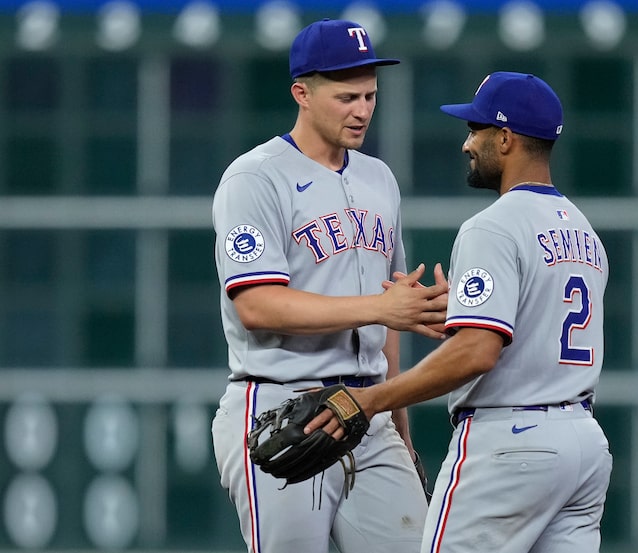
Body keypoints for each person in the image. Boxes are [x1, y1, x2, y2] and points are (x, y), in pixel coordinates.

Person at [309, 71, 613, 553]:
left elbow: (477, 354)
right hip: (583, 445)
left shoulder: (492, 227)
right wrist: (465, 316)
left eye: (477, 131)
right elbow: (531, 331)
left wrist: (371, 400)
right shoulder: (585, 234)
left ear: (507, 138)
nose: (467, 144)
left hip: (510, 444)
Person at [210, 18, 448, 553]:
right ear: (302, 93)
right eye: (346, 96)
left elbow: (391, 312)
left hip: (367, 408)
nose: (361, 109)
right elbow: (257, 305)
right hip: (282, 404)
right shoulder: (255, 178)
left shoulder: (378, 178)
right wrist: (383, 309)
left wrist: (398, 423)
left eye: (369, 95)